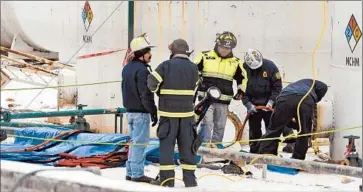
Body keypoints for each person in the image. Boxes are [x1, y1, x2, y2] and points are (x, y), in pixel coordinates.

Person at [147, 38, 199, 187]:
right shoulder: (193, 68)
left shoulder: (165, 66)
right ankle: (190, 181)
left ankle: (167, 181)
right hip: (187, 117)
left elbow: (151, 83)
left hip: (168, 116)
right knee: (188, 150)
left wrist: (160, 92)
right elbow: (195, 85)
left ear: (173, 51)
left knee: (166, 150)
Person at [194, 31, 248, 145]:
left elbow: (243, 78)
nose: (225, 50)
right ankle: (202, 147)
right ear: (217, 44)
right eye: (223, 47)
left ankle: (215, 150)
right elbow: (193, 69)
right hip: (205, 98)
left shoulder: (236, 62)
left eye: (228, 48)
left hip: (223, 100)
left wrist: (241, 90)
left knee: (220, 125)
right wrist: (197, 79)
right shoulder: (205, 56)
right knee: (207, 123)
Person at [258, 79, 328, 160]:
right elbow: (320, 92)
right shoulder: (321, 86)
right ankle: (297, 159)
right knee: (303, 132)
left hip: (284, 98)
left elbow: (285, 118)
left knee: (274, 129)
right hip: (305, 99)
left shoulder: (296, 84)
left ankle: (266, 155)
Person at [241, 48, 294, 153]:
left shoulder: (270, 67)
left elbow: (277, 88)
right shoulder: (243, 69)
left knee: (272, 130)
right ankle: (254, 152)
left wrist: (271, 102)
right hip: (253, 106)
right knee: (254, 130)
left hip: (270, 105)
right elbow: (241, 90)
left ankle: (271, 152)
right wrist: (248, 104)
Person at [121, 33, 158, 183]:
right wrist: (153, 111)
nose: (150, 54)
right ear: (142, 53)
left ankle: (130, 172)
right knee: (140, 144)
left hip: (130, 112)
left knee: (134, 142)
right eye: (148, 51)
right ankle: (137, 174)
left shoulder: (127, 68)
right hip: (140, 113)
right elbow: (145, 94)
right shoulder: (142, 70)